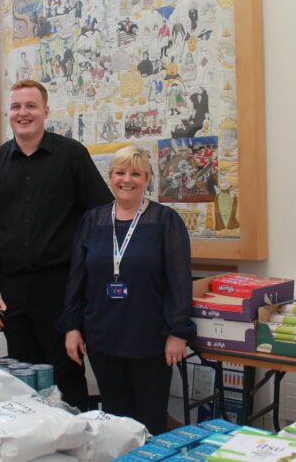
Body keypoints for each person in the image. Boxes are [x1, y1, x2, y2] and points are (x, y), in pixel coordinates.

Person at [0, 79, 113, 410]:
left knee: (67, 374)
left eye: (31, 106)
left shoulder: (72, 155)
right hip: (11, 290)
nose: (23, 113)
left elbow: (100, 219)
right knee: (22, 377)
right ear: (9, 113)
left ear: (46, 111)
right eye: (17, 106)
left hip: (61, 288)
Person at [58, 146, 196, 435]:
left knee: (150, 420)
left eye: (136, 173)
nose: (127, 179)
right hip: (102, 336)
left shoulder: (165, 221)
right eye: (120, 172)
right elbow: (77, 279)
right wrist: (72, 327)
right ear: (110, 177)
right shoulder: (92, 220)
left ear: (147, 179)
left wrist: (178, 332)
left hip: (150, 339)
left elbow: (180, 280)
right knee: (115, 420)